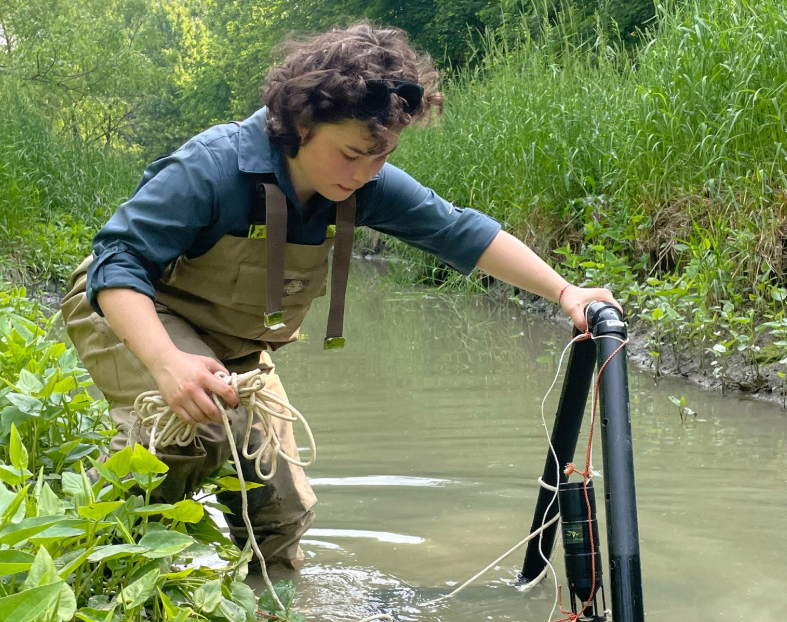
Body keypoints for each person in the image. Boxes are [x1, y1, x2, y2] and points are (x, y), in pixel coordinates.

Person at [61, 22, 619, 570]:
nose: (366, 172)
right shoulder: (211, 167)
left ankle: (271, 621)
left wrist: (564, 291)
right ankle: (82, 559)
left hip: (235, 345)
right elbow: (118, 262)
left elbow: (460, 231)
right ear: (300, 123)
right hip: (131, 310)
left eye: (382, 156)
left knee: (280, 510)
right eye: (351, 154)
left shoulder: (366, 185)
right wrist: (166, 363)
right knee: (197, 428)